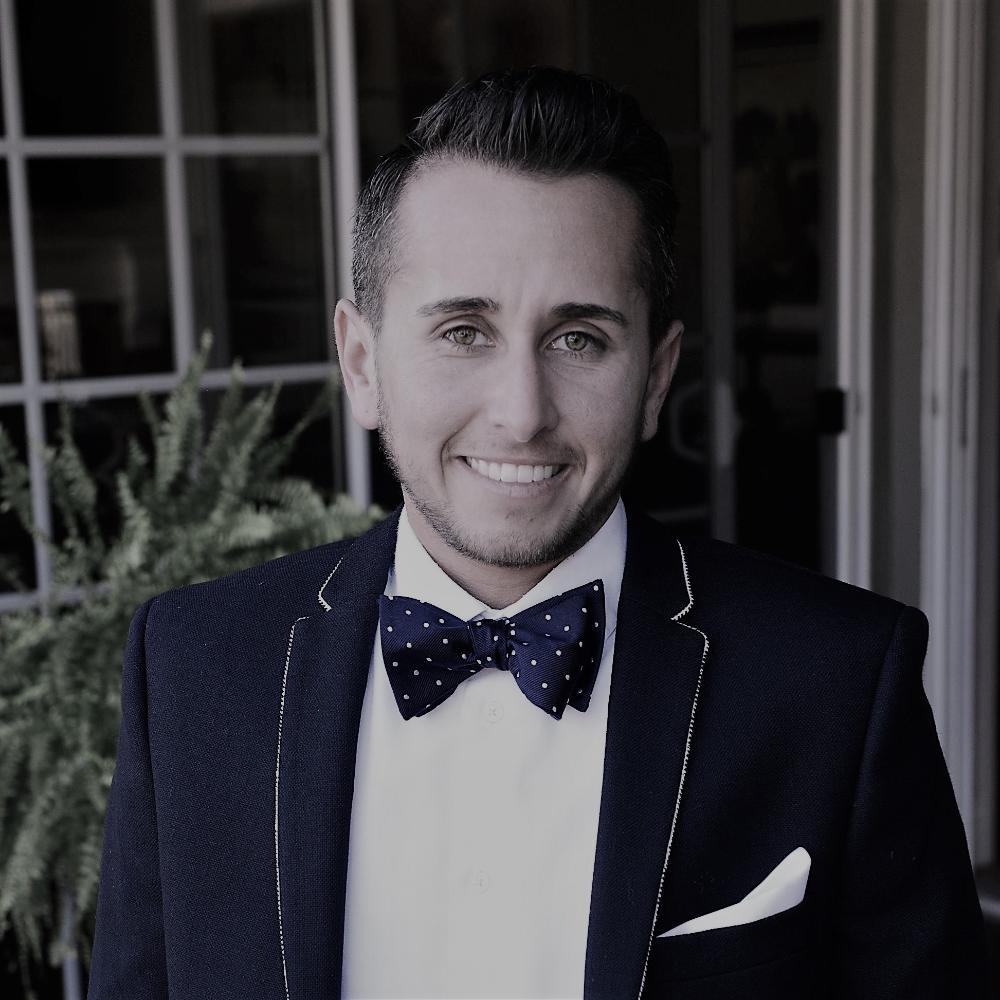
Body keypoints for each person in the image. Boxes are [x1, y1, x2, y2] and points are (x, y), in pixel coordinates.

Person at [87, 67, 987, 1000]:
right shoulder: (192, 671)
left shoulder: (839, 684)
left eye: (579, 339)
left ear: (654, 375)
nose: (521, 415)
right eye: (464, 331)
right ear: (362, 363)